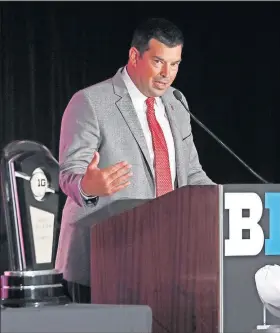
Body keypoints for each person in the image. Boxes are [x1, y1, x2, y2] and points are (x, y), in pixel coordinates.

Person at [56, 17, 215, 303]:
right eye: (158, 61)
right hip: (102, 260)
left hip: (163, 259)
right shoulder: (90, 101)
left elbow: (191, 175)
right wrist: (89, 186)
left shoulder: (177, 104)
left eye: (175, 64)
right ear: (134, 56)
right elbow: (70, 175)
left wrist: (224, 201)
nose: (167, 73)